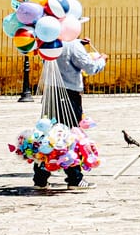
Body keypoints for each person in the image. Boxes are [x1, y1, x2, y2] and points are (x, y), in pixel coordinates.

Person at [36, 35, 106, 188]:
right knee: (71, 136)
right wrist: (102, 60)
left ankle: (40, 178)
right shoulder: (74, 45)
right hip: (69, 94)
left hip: (51, 92)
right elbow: (90, 68)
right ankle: (74, 178)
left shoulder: (48, 41)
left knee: (49, 135)